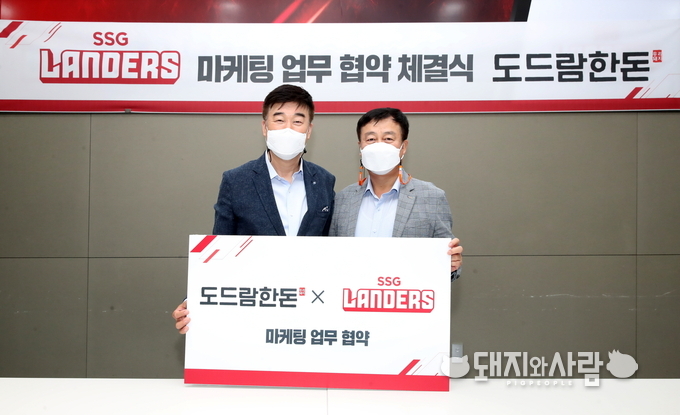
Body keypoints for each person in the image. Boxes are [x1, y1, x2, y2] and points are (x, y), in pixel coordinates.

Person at [172, 84, 336, 334]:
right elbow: (219, 249)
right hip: (253, 309)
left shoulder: (324, 181)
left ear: (309, 130)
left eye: (297, 121)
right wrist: (193, 301)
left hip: (309, 308)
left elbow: (330, 250)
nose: (288, 128)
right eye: (279, 120)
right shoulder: (236, 180)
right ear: (264, 127)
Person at [329, 107, 462, 279]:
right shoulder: (342, 199)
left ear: (403, 147)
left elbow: (447, 263)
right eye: (371, 139)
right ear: (360, 147)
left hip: (405, 294)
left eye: (388, 139)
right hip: (352, 293)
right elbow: (330, 258)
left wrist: (451, 265)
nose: (379, 146)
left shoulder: (431, 197)